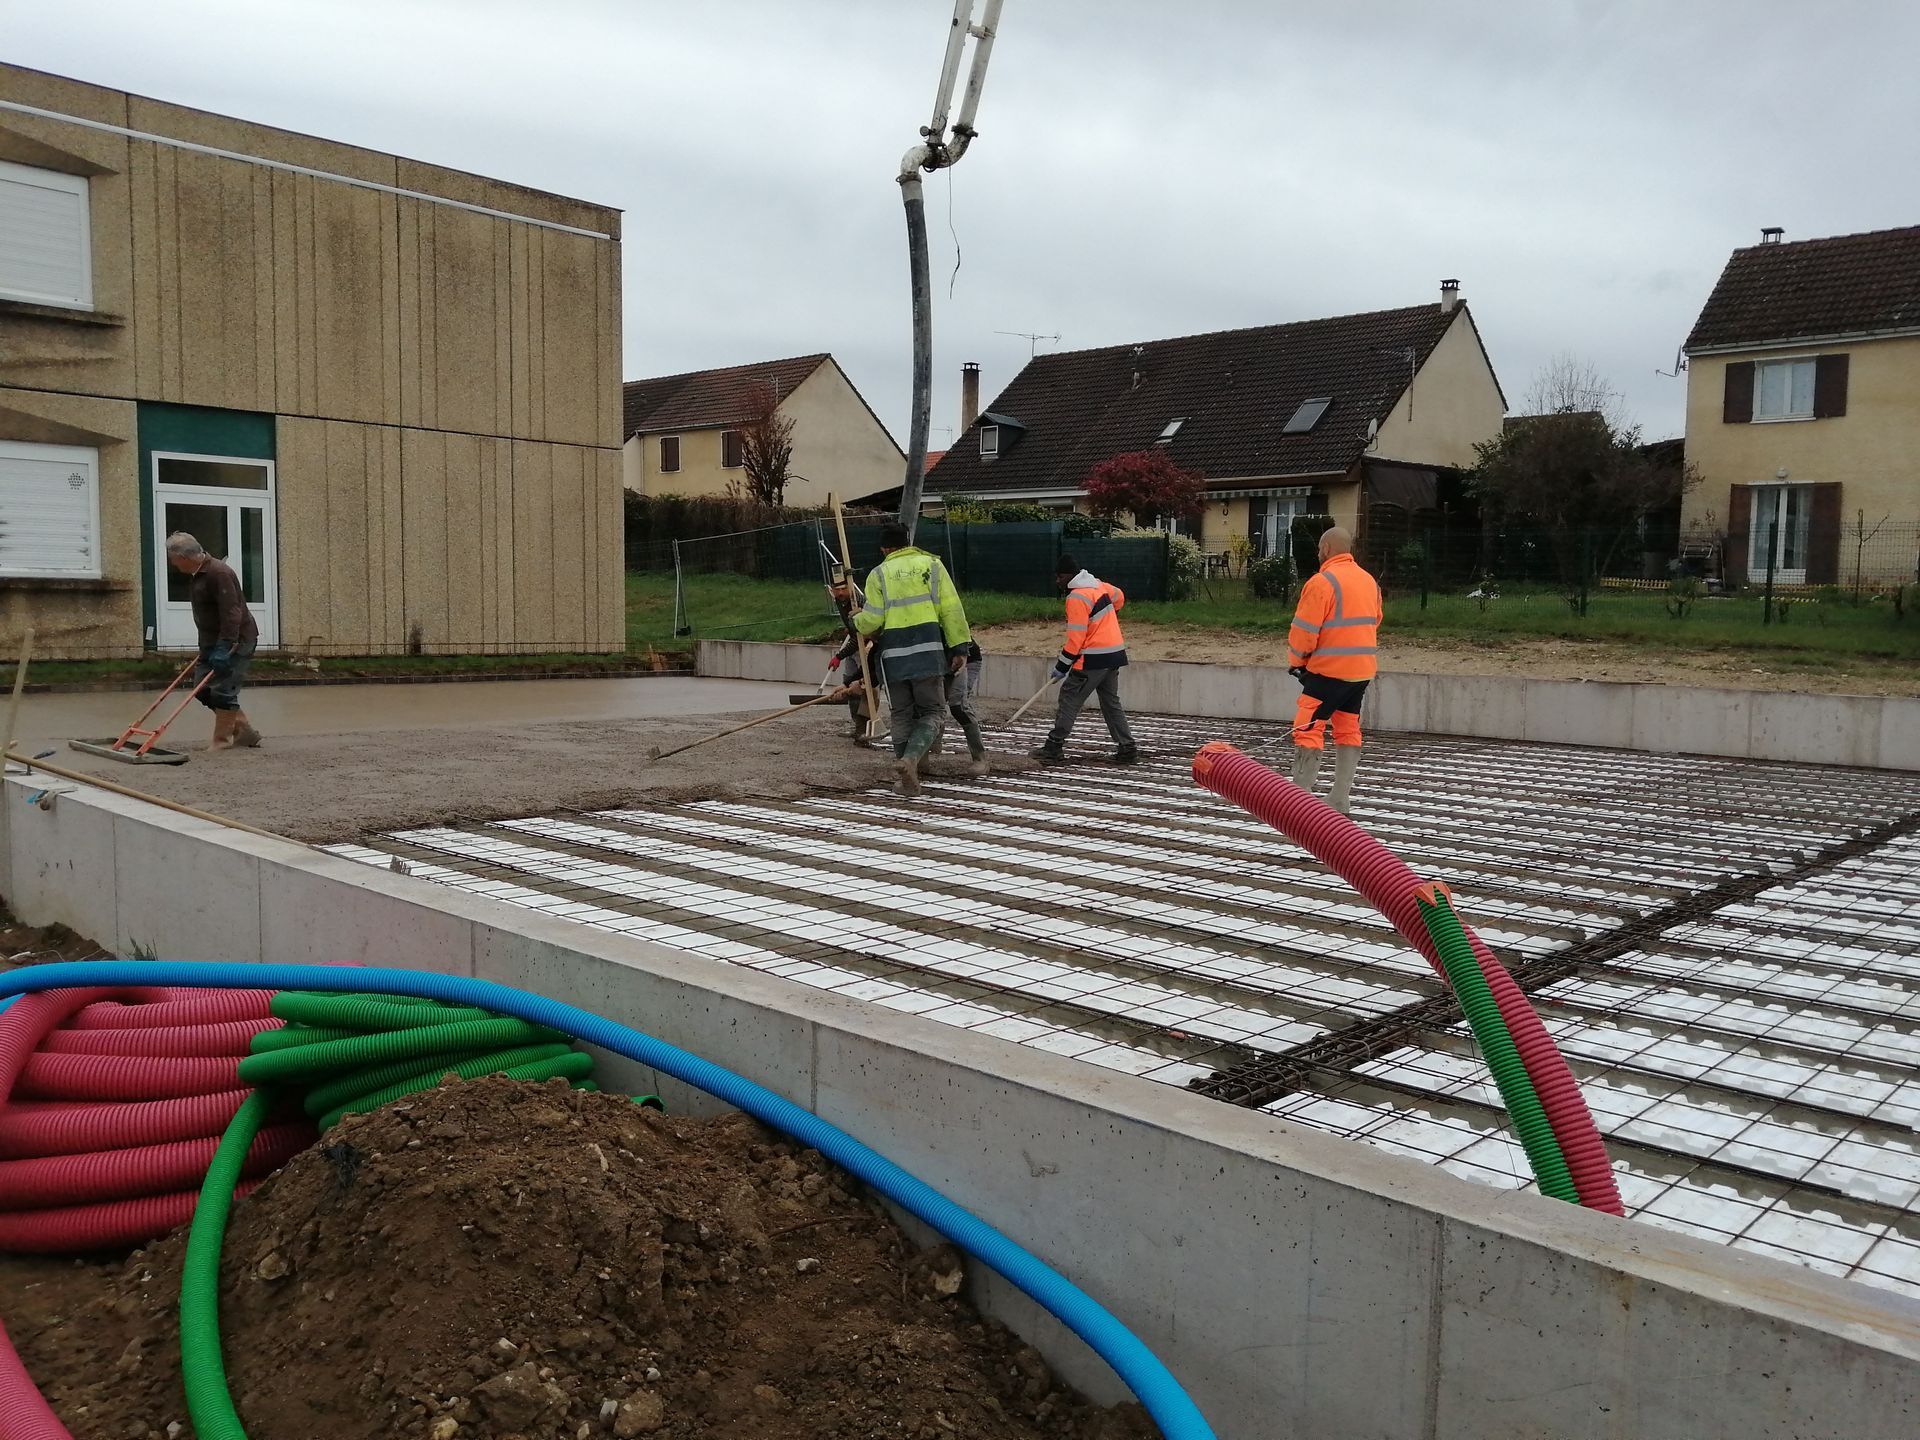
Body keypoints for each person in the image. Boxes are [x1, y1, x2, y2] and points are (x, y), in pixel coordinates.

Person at [838, 522, 982, 795]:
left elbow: (872, 621)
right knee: (933, 712)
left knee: (901, 714)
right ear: (908, 543)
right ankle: (910, 760)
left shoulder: (878, 574)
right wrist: (959, 648)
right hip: (928, 655)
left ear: (884, 549)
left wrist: (855, 620)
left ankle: (905, 776)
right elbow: (952, 610)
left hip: (893, 659)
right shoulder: (933, 566)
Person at [1287, 525, 1380, 814]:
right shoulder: (1369, 581)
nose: (1318, 553)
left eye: (1319, 548)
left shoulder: (1322, 582)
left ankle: (1300, 801)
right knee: (1348, 729)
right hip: (1361, 673)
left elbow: (1303, 633)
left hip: (1328, 672)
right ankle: (1340, 798)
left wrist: (1297, 662)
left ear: (1326, 549)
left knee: (1307, 727)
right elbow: (1375, 620)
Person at [1031, 555, 1136, 765]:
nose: (1057, 581)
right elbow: (1119, 597)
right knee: (1111, 703)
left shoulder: (1076, 598)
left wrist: (1062, 666)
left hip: (1093, 659)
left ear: (1070, 576)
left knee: (1069, 698)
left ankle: (1053, 747)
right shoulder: (1098, 585)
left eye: (1060, 577)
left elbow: (1076, 639)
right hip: (1114, 654)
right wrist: (1107, 617)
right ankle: (1127, 748)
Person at [163, 532, 262, 750]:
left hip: (236, 640)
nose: (173, 564)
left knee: (224, 690)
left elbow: (232, 612)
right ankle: (244, 730)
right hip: (211, 641)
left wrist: (225, 645)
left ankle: (221, 741)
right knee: (201, 689)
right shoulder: (199, 573)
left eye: (173, 559)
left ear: (184, 558)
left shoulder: (218, 573)